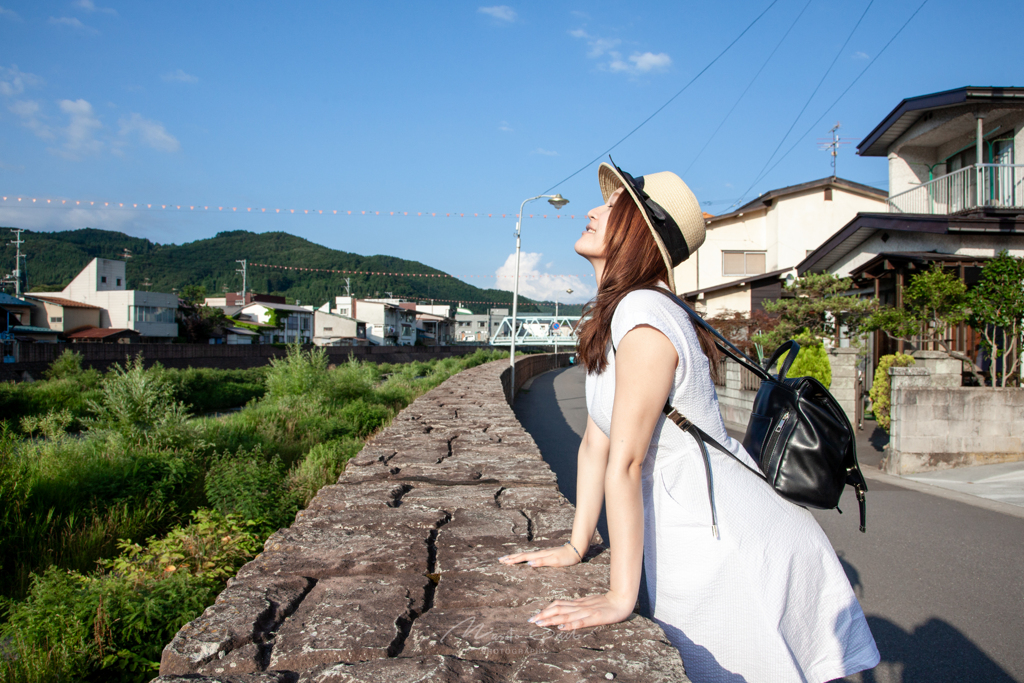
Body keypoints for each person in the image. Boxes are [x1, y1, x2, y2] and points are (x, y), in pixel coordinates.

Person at [498, 161, 879, 682]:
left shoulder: (643, 314)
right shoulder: (623, 314)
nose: (590, 210)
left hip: (724, 540)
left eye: (611, 208)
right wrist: (575, 544)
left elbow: (626, 463)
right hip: (699, 525)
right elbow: (596, 444)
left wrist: (618, 596)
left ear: (639, 235)